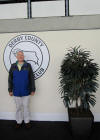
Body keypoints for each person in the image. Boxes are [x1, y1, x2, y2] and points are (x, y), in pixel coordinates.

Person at [8, 51, 36, 129]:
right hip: (16, 91)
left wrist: (33, 89)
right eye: (19, 55)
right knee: (18, 108)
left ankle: (27, 122)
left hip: (26, 91)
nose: (20, 56)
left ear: (24, 56)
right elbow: (10, 79)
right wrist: (10, 90)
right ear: (16, 56)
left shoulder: (28, 65)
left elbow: (31, 78)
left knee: (26, 107)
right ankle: (19, 122)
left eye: (22, 55)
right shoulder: (13, 66)